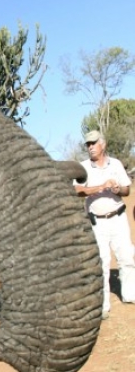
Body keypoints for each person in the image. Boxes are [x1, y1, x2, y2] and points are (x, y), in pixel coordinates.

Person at [74, 130, 135, 320]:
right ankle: (103, 305)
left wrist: (118, 188)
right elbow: (78, 190)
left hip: (118, 217)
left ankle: (130, 294)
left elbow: (126, 189)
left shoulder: (115, 164)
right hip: (96, 221)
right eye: (88, 144)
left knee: (126, 257)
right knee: (101, 262)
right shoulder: (83, 168)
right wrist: (100, 187)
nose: (90, 147)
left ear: (103, 144)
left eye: (93, 143)